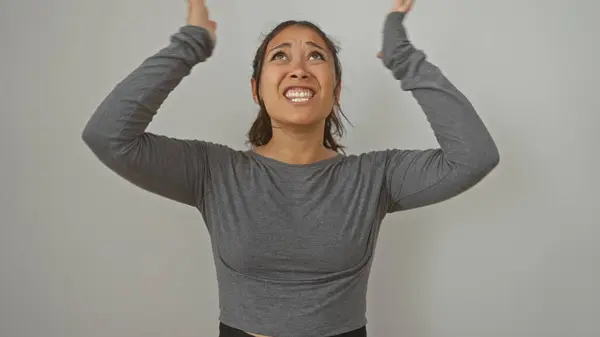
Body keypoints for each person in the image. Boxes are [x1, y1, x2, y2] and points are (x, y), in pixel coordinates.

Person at [81, 0, 499, 336]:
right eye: (280, 56)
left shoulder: (376, 177)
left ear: (334, 90)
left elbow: (474, 156)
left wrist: (402, 58)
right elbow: (108, 136)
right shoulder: (213, 171)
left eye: (315, 56)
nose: (298, 67)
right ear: (256, 88)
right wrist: (191, 42)